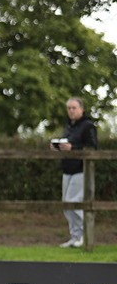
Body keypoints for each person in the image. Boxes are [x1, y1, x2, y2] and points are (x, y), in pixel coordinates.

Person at [51, 97, 98, 248]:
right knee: (67, 204)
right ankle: (75, 236)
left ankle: (84, 235)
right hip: (67, 169)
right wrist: (58, 147)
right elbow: (68, 145)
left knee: (75, 203)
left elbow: (92, 148)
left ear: (81, 109)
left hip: (81, 169)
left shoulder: (88, 126)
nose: (71, 111)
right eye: (69, 108)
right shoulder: (69, 127)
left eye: (74, 108)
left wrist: (73, 149)